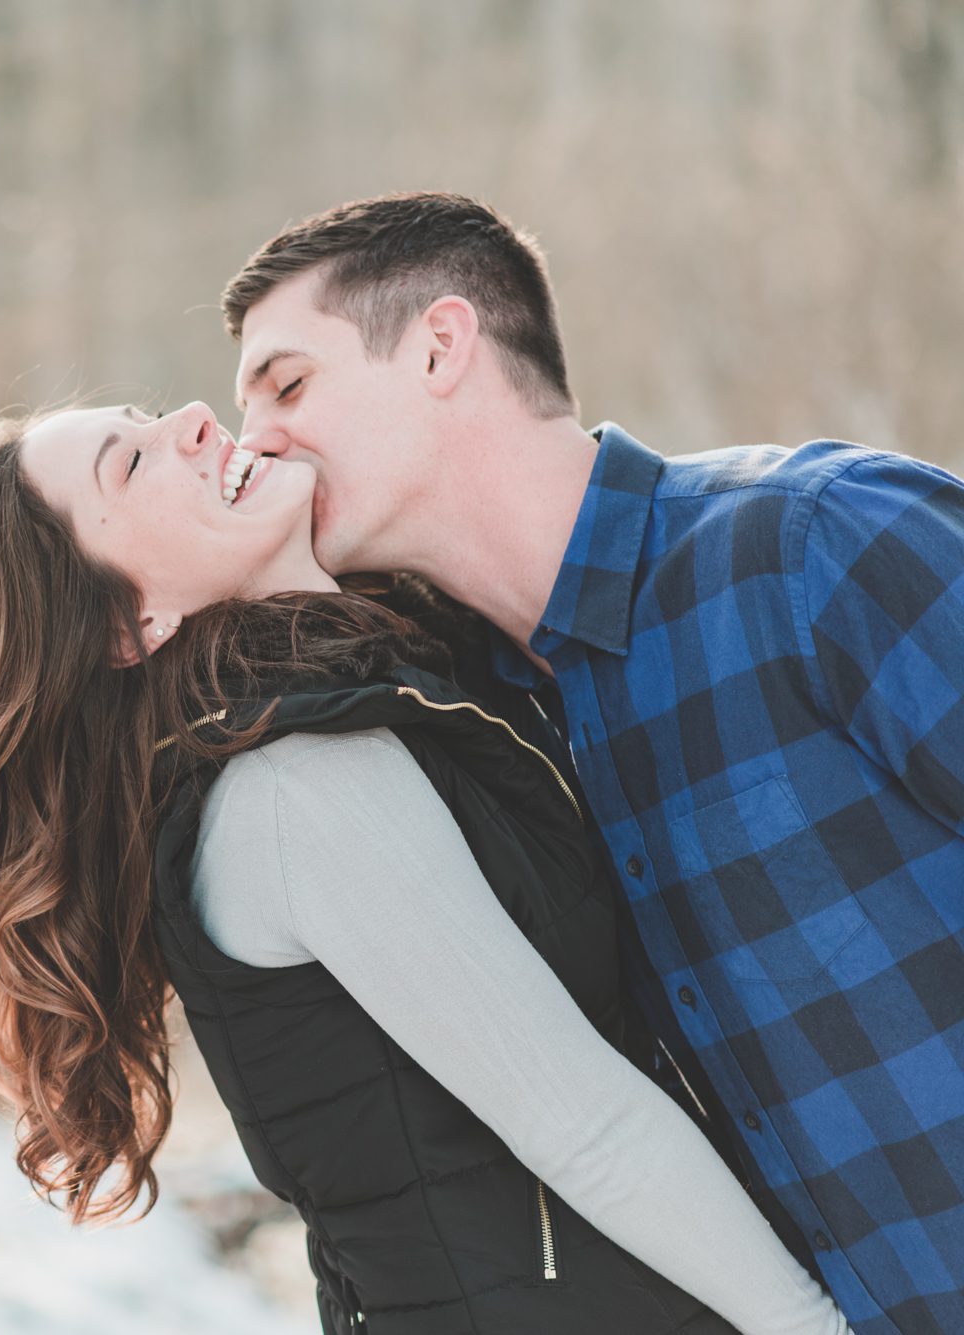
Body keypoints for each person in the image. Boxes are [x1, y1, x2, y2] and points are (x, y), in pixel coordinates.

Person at [0, 397, 849, 1333]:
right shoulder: (296, 786)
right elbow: (583, 1121)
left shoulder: (387, 688)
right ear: (131, 626)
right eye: (132, 463)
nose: (193, 418)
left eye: (147, 416)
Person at [221, 191, 964, 1335]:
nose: (256, 438)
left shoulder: (814, 549)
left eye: (286, 384)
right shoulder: (462, 731)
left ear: (438, 347)